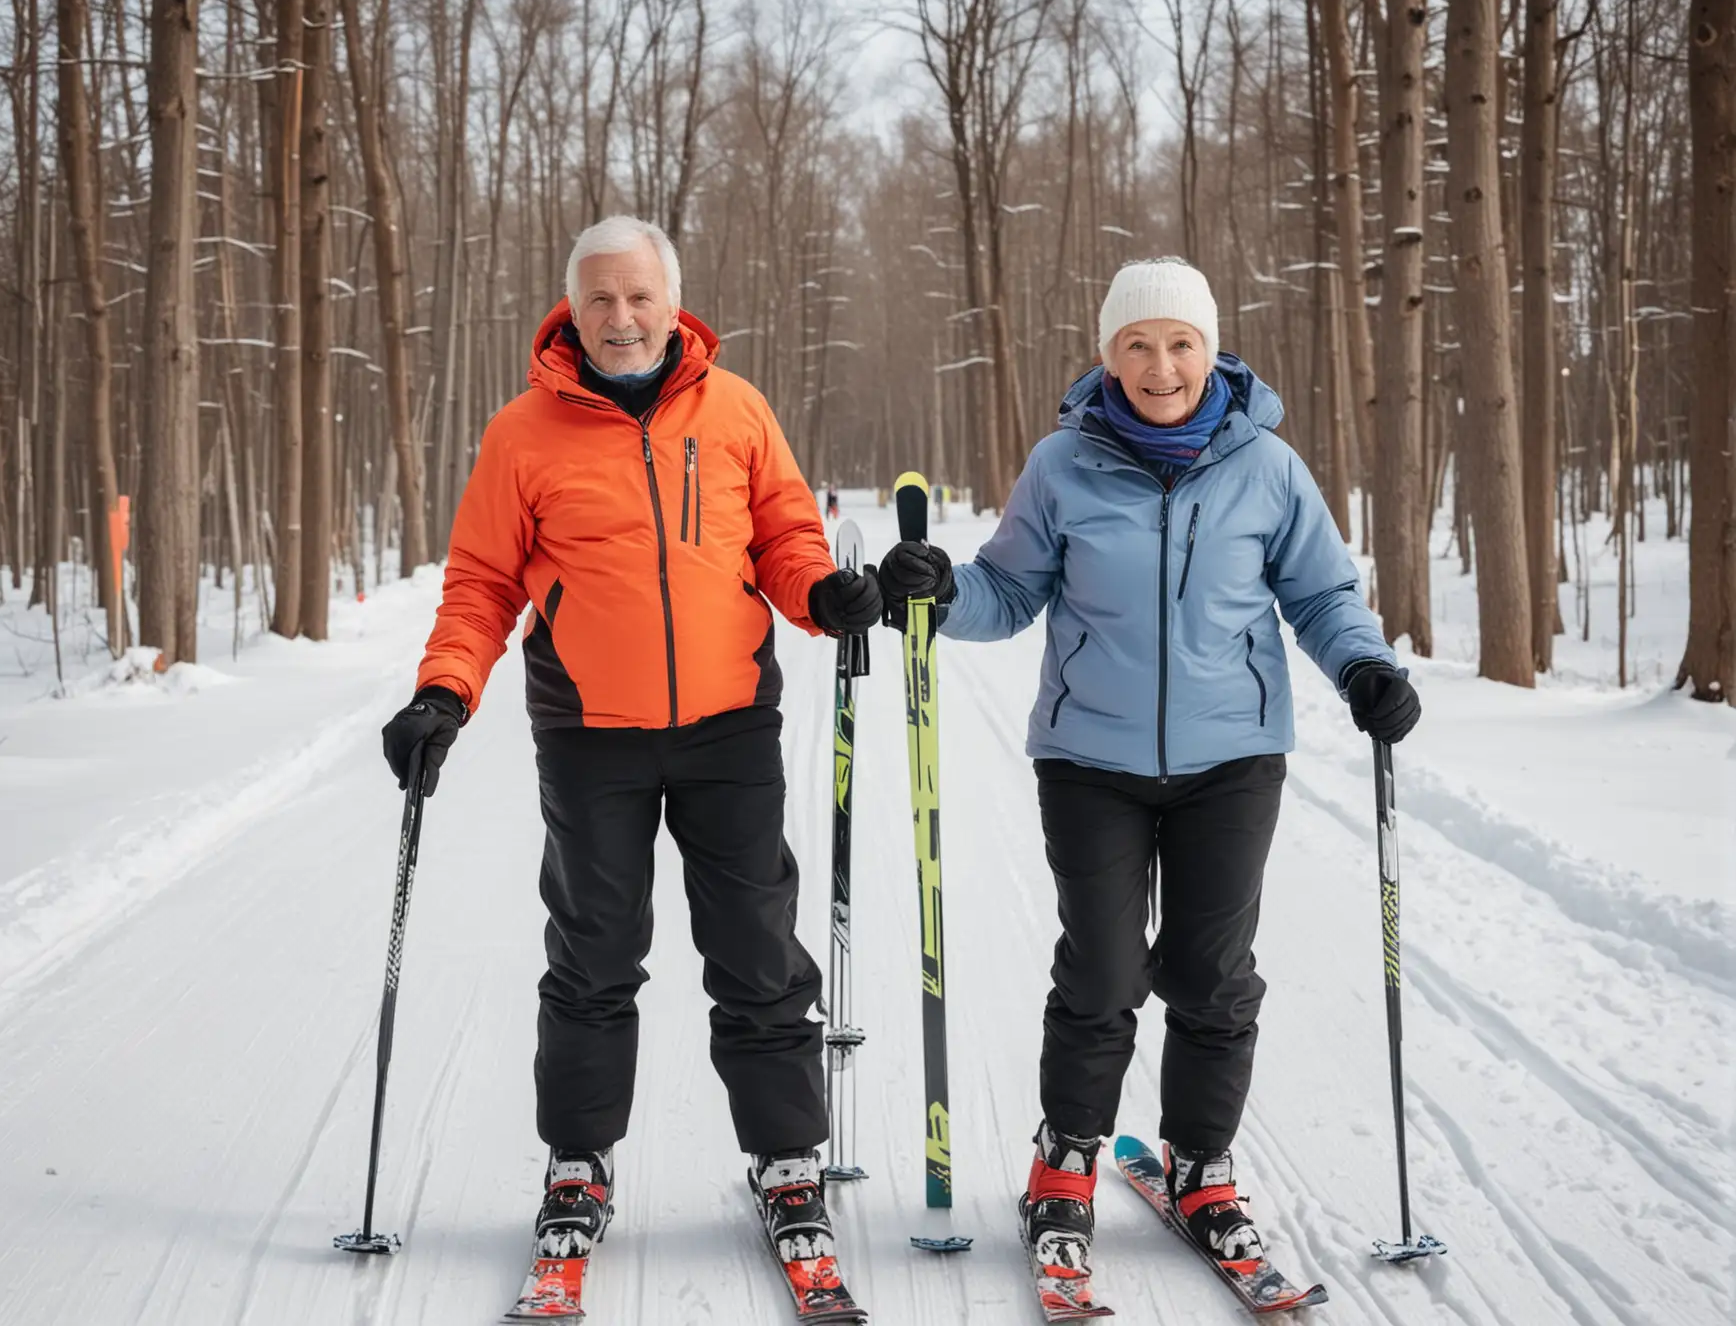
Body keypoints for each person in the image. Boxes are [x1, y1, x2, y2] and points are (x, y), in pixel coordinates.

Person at [877, 258, 1420, 1272]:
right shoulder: (1062, 465)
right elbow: (1008, 591)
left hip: (1234, 758)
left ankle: (1202, 1164)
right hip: (1091, 759)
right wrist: (940, 592)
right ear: (1107, 353)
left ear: (1211, 350)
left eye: (1179, 343)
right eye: (1137, 344)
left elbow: (1322, 593)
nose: (1160, 365)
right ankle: (1065, 1158)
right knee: (1103, 970)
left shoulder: (1266, 466)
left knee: (1214, 976)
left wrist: (1365, 669)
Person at [380, 216, 883, 1267]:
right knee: (594, 951)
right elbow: (480, 584)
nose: (619, 317)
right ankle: (578, 1164)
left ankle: (788, 1161)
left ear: (671, 303)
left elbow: (786, 537)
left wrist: (824, 596)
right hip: (589, 733)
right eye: (598, 299)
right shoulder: (523, 432)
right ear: (572, 307)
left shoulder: (737, 410)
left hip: (730, 722)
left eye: (637, 297)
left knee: (755, 948)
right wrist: (442, 693)